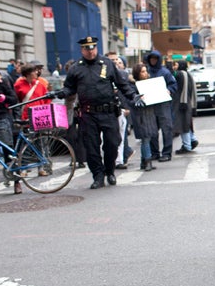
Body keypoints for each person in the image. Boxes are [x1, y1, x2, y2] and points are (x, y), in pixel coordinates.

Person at [47, 36, 145, 189]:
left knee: (112, 143)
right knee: (91, 147)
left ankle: (110, 171)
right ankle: (98, 176)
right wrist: (61, 93)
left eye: (93, 48)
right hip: (88, 114)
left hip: (108, 111)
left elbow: (121, 84)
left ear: (96, 48)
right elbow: (69, 88)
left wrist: (132, 96)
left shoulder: (107, 63)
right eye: (87, 48)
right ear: (82, 50)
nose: (90, 51)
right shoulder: (76, 68)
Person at [144, 50, 177, 162]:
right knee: (152, 130)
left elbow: (173, 84)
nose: (153, 61)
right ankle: (154, 152)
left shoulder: (165, 72)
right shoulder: (147, 72)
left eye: (155, 59)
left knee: (166, 128)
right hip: (150, 104)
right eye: (151, 59)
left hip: (163, 104)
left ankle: (167, 153)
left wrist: (169, 90)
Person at [130, 63, 158, 171]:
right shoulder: (133, 85)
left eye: (145, 71)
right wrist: (138, 99)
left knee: (147, 137)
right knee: (145, 138)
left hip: (149, 112)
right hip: (140, 115)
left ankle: (144, 161)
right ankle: (147, 161)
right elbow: (131, 99)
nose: (145, 73)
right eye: (142, 71)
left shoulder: (149, 83)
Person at [0, 69, 18, 191]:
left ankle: (16, 182)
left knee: (8, 151)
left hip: (1, 119)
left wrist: (4, 99)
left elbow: (14, 99)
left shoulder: (2, 81)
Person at [172, 60, 197, 154]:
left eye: (176, 65)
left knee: (182, 124)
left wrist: (183, 101)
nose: (174, 67)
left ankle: (187, 145)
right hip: (188, 103)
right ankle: (192, 139)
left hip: (182, 103)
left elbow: (181, 88)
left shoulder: (179, 74)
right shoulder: (188, 74)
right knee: (187, 123)